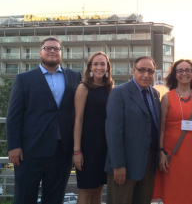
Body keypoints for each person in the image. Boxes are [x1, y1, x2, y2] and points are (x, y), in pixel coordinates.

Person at [6, 36, 81, 204]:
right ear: (40, 53)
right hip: (30, 150)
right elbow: (13, 115)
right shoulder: (24, 79)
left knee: (55, 197)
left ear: (61, 53)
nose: (52, 51)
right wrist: (13, 146)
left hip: (62, 150)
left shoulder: (75, 77)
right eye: (48, 48)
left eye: (56, 48)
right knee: (25, 196)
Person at [152, 59, 192, 204]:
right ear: (175, 75)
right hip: (171, 154)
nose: (184, 73)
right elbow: (162, 127)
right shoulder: (166, 98)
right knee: (171, 193)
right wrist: (160, 152)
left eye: (188, 70)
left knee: (191, 193)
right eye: (180, 70)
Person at [105, 56, 160, 204]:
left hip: (148, 163)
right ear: (134, 70)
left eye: (150, 71)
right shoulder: (119, 93)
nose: (146, 75)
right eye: (142, 70)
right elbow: (113, 132)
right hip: (125, 164)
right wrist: (118, 165)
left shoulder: (154, 94)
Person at [73, 52, 113, 204]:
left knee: (99, 187)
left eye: (103, 64)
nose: (99, 67)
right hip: (87, 145)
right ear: (90, 67)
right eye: (95, 64)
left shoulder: (110, 88)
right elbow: (78, 119)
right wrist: (77, 150)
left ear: (107, 67)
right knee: (86, 188)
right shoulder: (84, 87)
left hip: (104, 145)